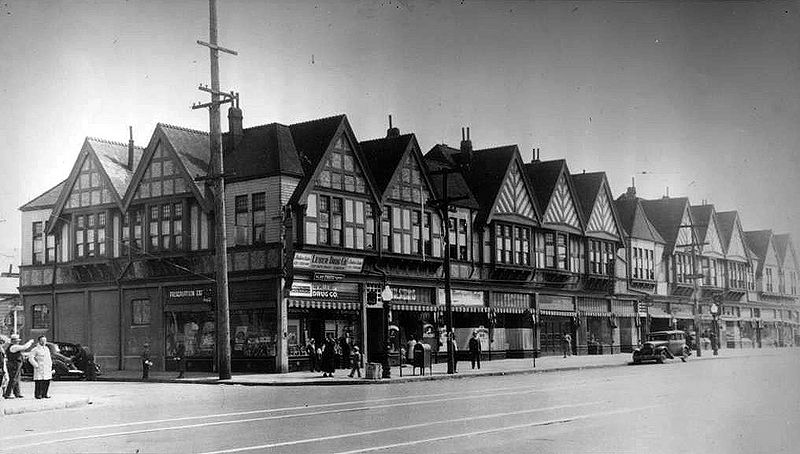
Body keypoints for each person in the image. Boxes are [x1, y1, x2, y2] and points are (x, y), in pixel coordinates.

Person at [3, 334, 34, 399]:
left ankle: (17, 393)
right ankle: (7, 394)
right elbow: (24, 347)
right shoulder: (14, 347)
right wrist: (30, 342)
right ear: (13, 341)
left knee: (16, 378)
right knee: (13, 379)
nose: (18, 342)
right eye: (17, 340)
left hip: (16, 363)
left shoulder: (13, 347)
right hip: (14, 364)